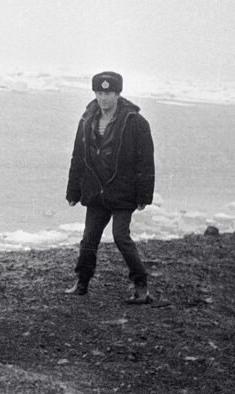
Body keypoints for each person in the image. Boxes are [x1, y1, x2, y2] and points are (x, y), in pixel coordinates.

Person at [65, 71, 155, 304]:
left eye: (109, 93)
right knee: (89, 239)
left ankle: (141, 286)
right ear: (95, 93)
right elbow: (78, 157)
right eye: (100, 93)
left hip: (123, 192)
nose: (104, 98)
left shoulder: (135, 122)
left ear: (118, 94)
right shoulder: (86, 120)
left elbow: (145, 160)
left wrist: (144, 194)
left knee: (120, 236)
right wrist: (73, 190)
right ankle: (82, 283)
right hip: (96, 192)